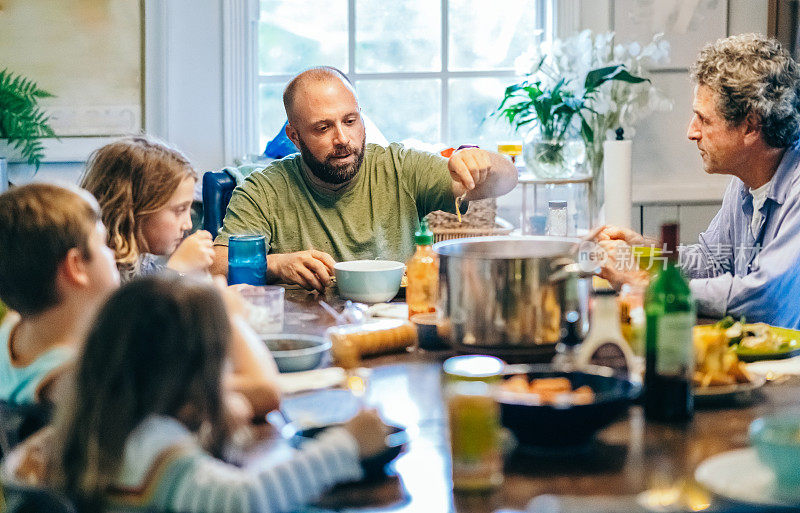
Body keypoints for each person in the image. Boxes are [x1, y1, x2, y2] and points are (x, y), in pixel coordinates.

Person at [2, 276, 390, 513]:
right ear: (192, 378)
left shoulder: (87, 424)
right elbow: (248, 501)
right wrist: (347, 445)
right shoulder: (153, 449)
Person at [211, 66, 518, 291]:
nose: (342, 138)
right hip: (307, 331)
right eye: (322, 128)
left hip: (394, 325)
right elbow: (215, 264)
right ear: (294, 137)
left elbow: (506, 179)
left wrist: (483, 163)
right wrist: (277, 264)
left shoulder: (400, 166)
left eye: (350, 120)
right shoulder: (263, 189)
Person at [597, 33, 800, 328]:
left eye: (703, 120)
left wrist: (647, 284)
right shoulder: (746, 180)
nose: (691, 132)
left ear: (751, 126)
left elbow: (766, 297)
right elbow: (711, 261)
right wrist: (645, 254)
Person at [0, 184, 120, 405]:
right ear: (76, 266)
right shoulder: (73, 380)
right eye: (102, 242)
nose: (112, 251)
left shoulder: (9, 328)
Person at [81, 135, 215, 283]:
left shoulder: (144, 261)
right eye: (179, 210)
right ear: (135, 208)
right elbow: (138, 305)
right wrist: (177, 269)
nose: (188, 225)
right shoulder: (98, 268)